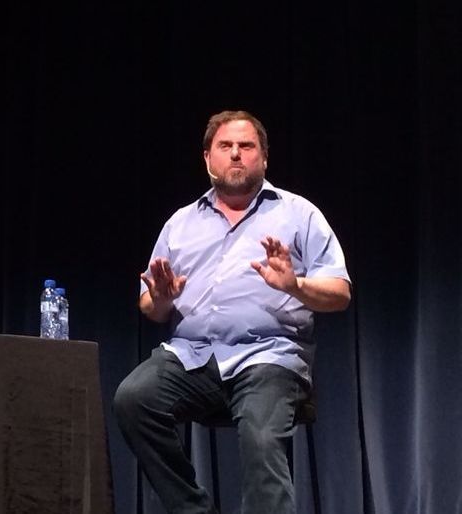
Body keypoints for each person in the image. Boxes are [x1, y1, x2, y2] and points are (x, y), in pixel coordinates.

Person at [113, 110, 351, 514]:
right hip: (192, 358)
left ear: (264, 158)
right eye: (226, 147)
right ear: (208, 159)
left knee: (260, 436)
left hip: (268, 357)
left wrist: (295, 286)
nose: (236, 155)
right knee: (133, 400)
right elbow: (150, 306)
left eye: (247, 146)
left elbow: (340, 292)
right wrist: (164, 298)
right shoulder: (180, 223)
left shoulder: (298, 214)